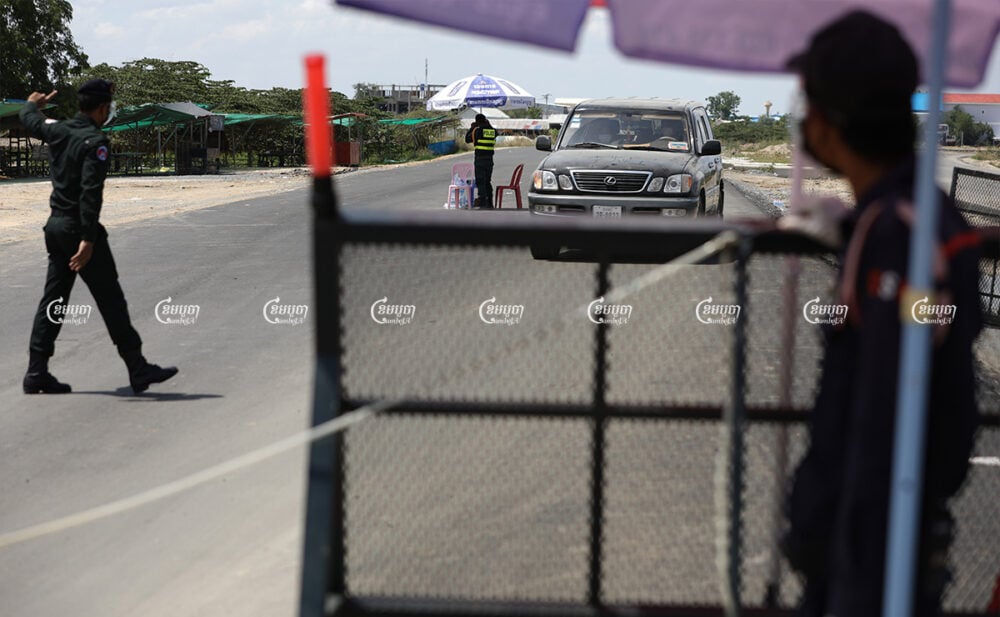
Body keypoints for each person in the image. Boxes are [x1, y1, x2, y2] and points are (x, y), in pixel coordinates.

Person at [780, 11, 981, 617]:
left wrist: (838, 542)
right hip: (888, 531)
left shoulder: (898, 239)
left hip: (870, 547)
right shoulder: (913, 215)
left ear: (827, 124)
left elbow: (885, 403)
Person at [20, 79, 178, 395]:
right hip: (80, 230)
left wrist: (31, 103)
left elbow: (30, 120)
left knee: (54, 300)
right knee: (110, 300)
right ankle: (137, 368)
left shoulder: (59, 131)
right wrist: (88, 240)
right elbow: (91, 193)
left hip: (55, 228)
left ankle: (37, 371)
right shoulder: (95, 142)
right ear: (102, 108)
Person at [464, 113, 496, 208]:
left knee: (480, 181)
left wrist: (472, 128)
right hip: (490, 160)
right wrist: (488, 124)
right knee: (487, 181)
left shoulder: (477, 131)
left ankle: (483, 202)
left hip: (480, 160)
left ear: (477, 121)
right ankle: (490, 202)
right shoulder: (493, 131)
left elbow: (467, 139)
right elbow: (494, 131)